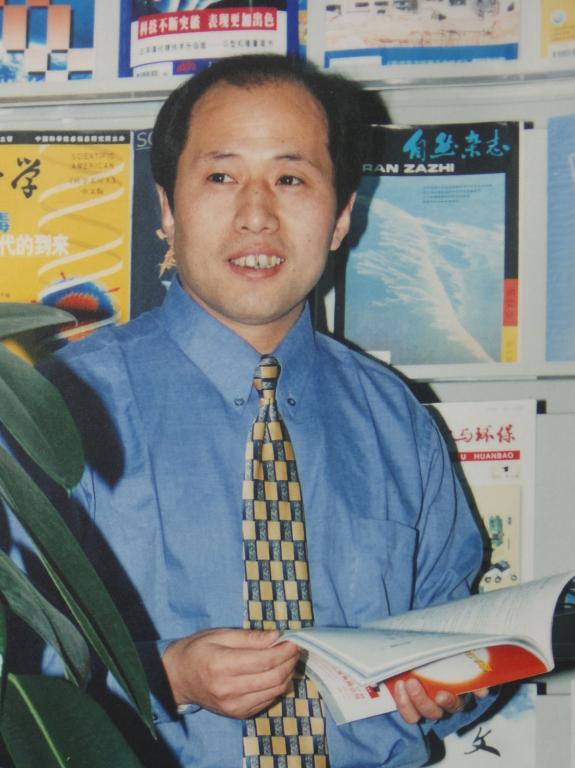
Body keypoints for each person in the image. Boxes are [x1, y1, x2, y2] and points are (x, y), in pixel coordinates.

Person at [36, 54, 494, 766]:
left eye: (291, 179)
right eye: (221, 177)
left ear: (341, 217)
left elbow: (457, 626)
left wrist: (456, 682)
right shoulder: (59, 407)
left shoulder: (394, 418)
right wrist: (165, 675)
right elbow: (17, 660)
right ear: (167, 210)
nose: (256, 215)